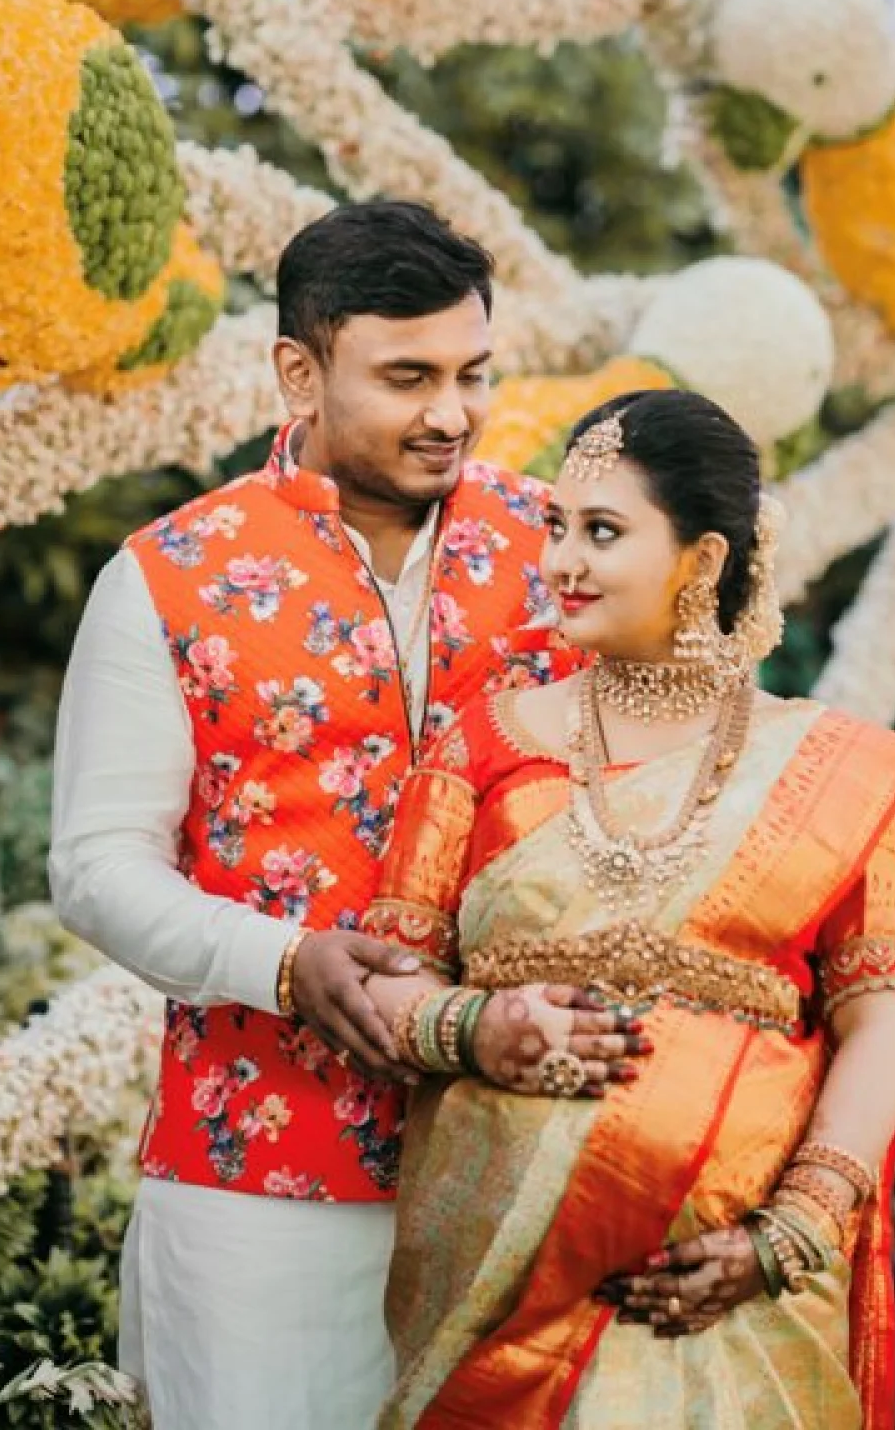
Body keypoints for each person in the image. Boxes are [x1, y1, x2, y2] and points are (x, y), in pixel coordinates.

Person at [48, 201, 642, 1429]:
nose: (452, 414)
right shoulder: (173, 575)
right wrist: (283, 963)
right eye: (407, 377)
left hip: (531, 1166)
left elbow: (687, 760)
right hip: (257, 1191)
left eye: (473, 374)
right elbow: (98, 866)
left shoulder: (561, 555)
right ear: (299, 372)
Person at [358, 388, 895, 1430]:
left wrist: (795, 1229)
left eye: (602, 531)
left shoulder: (829, 769)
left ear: (702, 560)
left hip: (742, 1301)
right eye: (557, 526)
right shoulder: (483, 744)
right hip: (497, 1286)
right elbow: (385, 981)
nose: (561, 562)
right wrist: (474, 1028)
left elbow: (888, 1013)